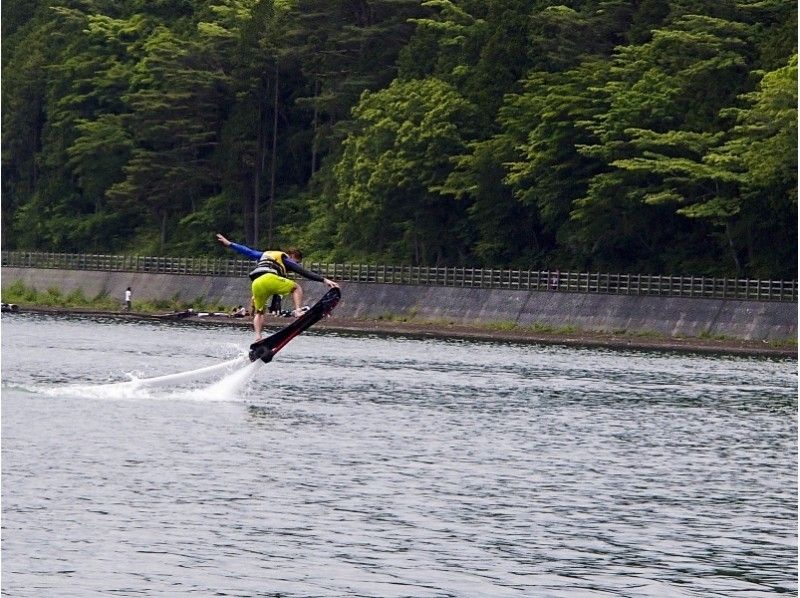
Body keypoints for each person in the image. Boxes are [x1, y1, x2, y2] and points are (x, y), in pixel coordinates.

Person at [216, 233, 339, 341]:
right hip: (270, 279)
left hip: (256, 283)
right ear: (291, 256)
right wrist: (324, 280)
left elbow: (246, 251)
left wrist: (229, 243)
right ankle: (298, 311)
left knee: (259, 313)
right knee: (296, 288)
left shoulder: (264, 254)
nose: (295, 264)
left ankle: (258, 337)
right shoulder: (284, 257)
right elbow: (303, 272)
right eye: (296, 261)